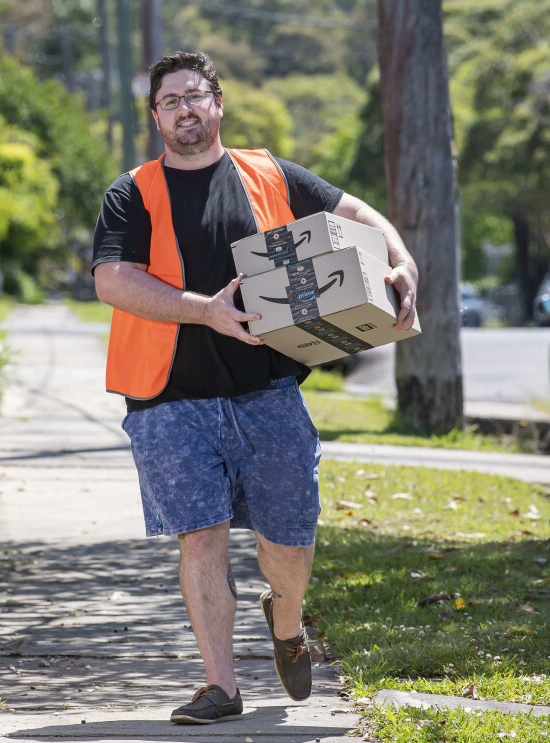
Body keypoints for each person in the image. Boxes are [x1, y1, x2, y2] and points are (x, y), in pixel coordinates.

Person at [92, 51, 418, 725]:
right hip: (169, 398)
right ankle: (221, 686)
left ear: (218, 104)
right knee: (200, 535)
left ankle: (287, 619)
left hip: (267, 391)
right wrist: (204, 309)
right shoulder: (132, 193)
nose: (185, 108)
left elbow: (357, 213)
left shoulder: (267, 172)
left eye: (195, 95)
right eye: (170, 100)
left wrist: (401, 259)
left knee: (289, 538)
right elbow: (112, 280)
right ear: (156, 117)